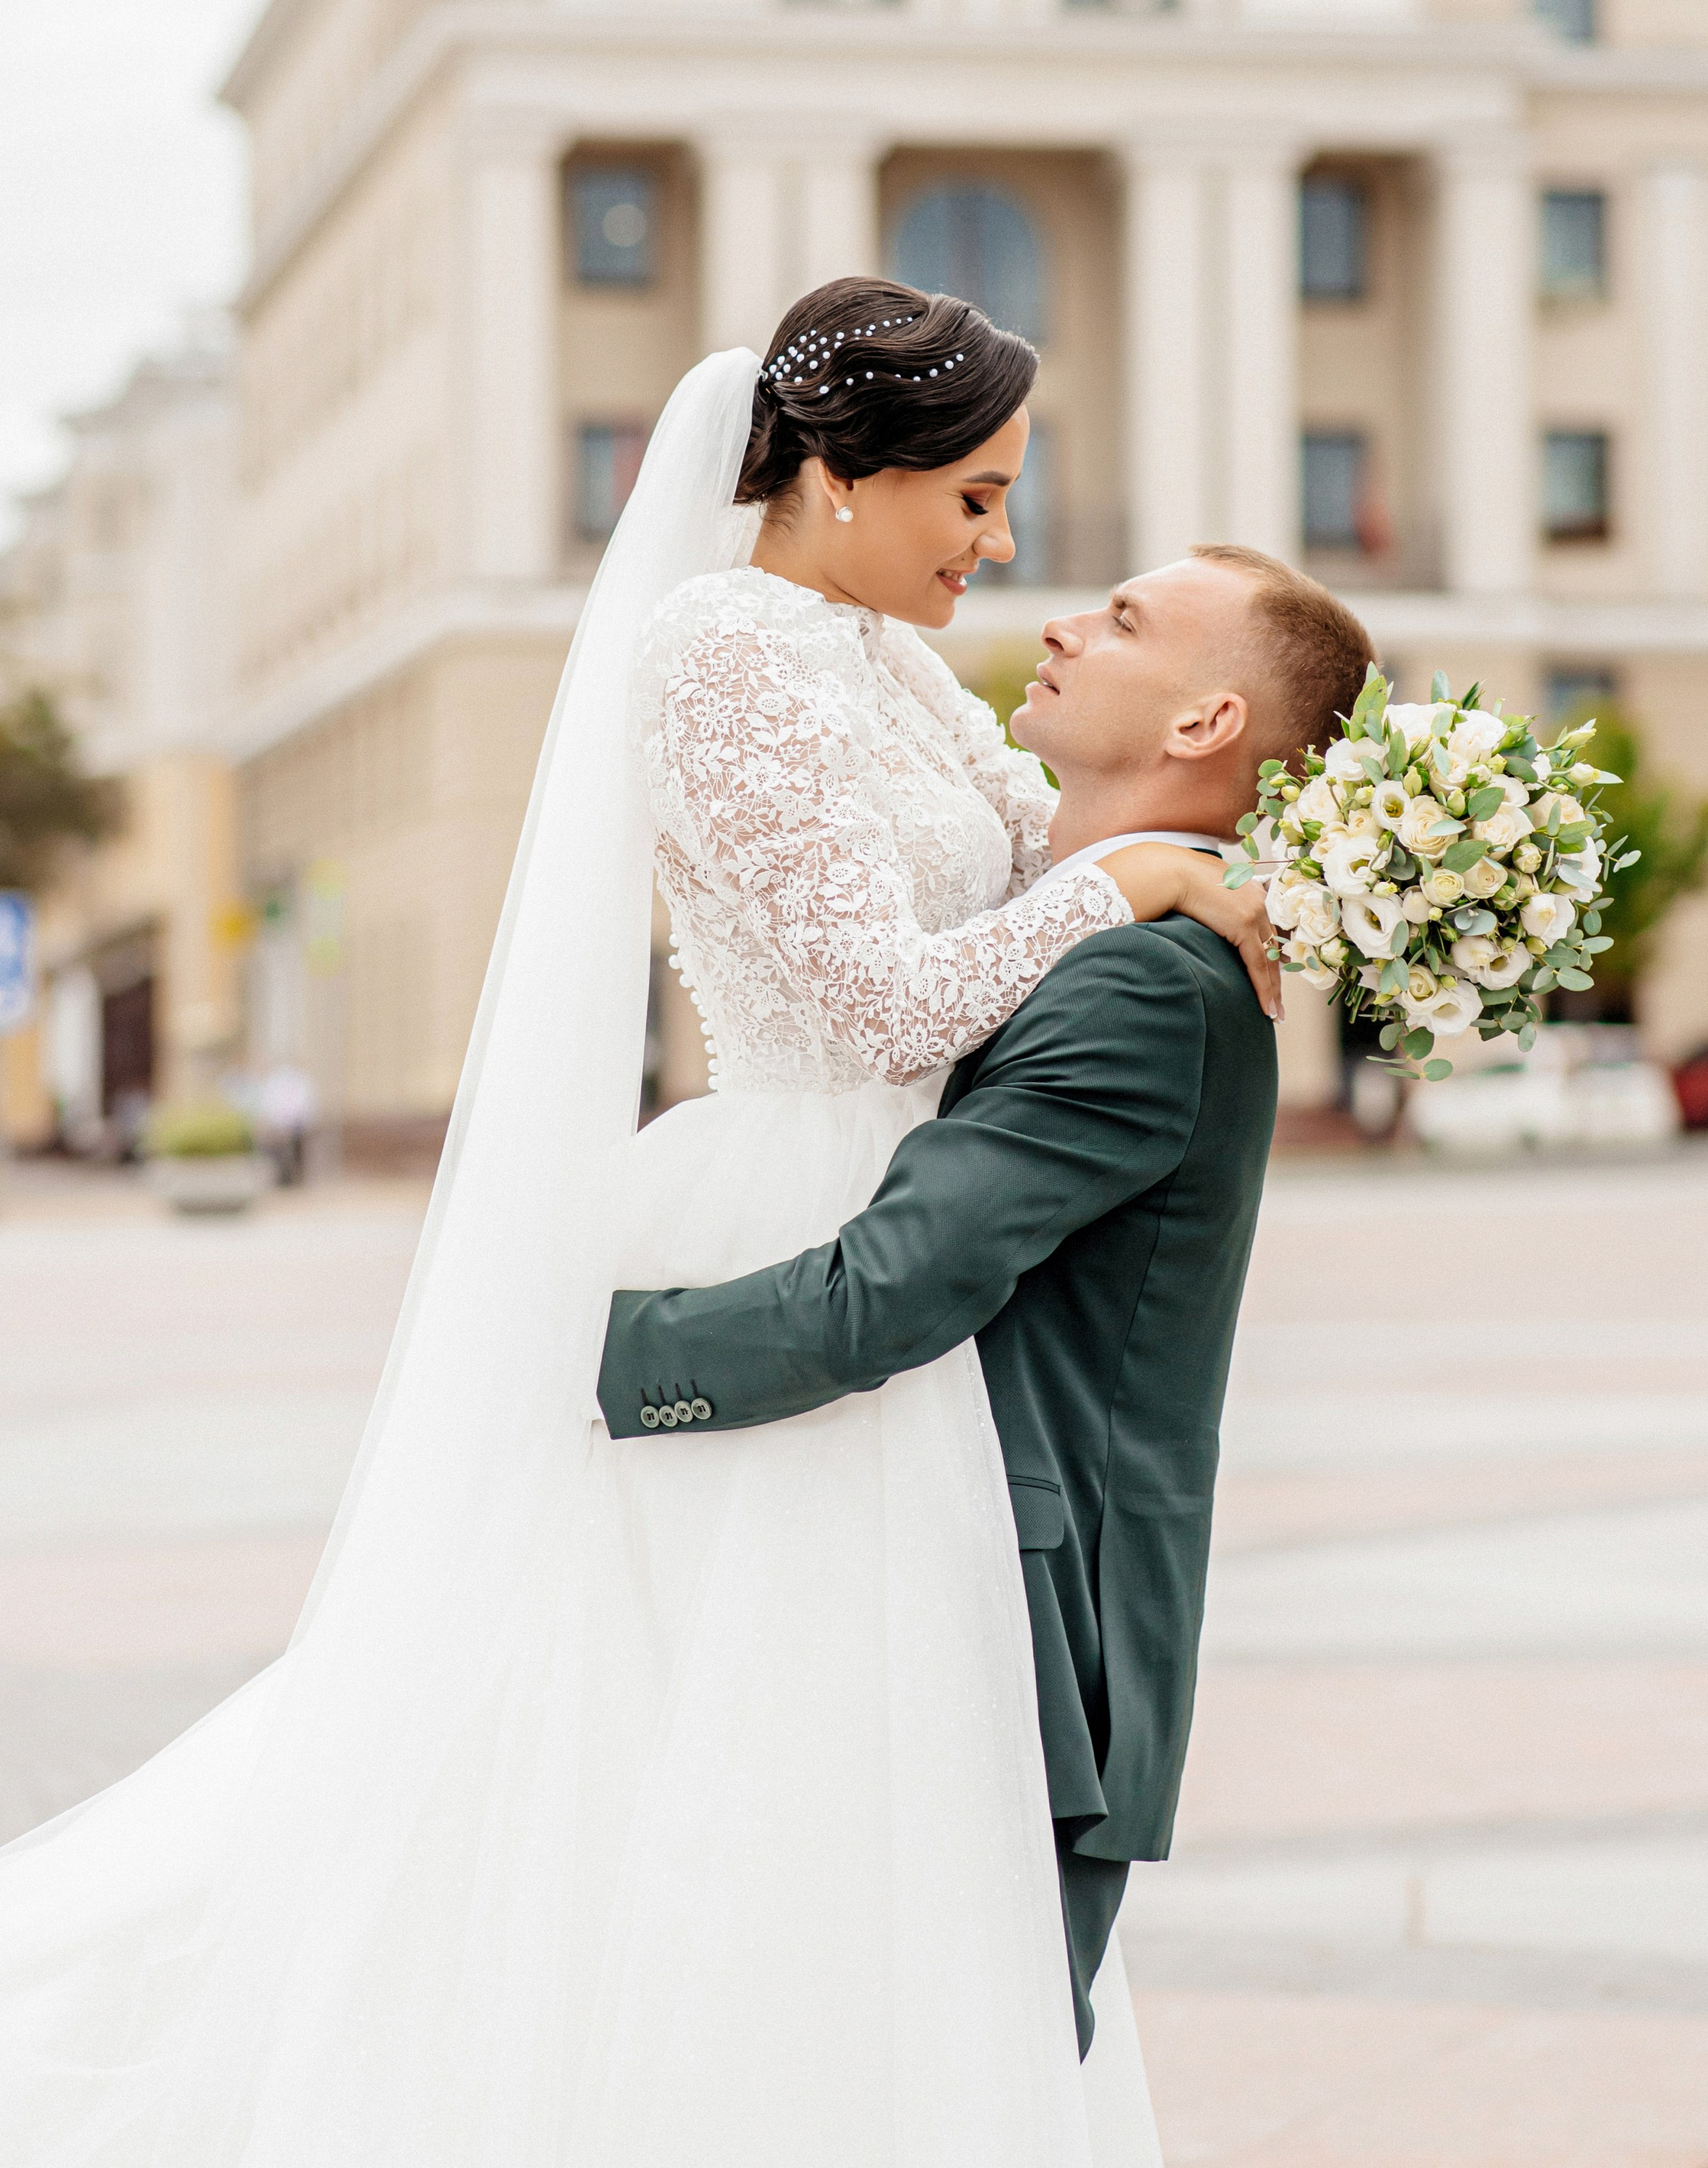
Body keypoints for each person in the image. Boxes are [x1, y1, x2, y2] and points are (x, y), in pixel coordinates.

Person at [0, 280, 1276, 2168]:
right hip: (784, 1200)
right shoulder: (723, 653)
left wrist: (1225, 862)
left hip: (893, 1208)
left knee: (833, 1766)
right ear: (842, 478)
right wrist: (1130, 889)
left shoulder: (886, 658)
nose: (998, 546)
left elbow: (1036, 855)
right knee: (688, 1723)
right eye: (974, 499)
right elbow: (871, 1003)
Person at [597, 547, 1373, 2062]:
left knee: (949, 2083)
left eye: (1128, 619)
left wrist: (584, 1364)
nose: (1065, 618)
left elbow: (885, 1294)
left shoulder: (1143, 985)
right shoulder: (1089, 934)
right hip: (920, 1591)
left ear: (1207, 722)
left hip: (1015, 1629)